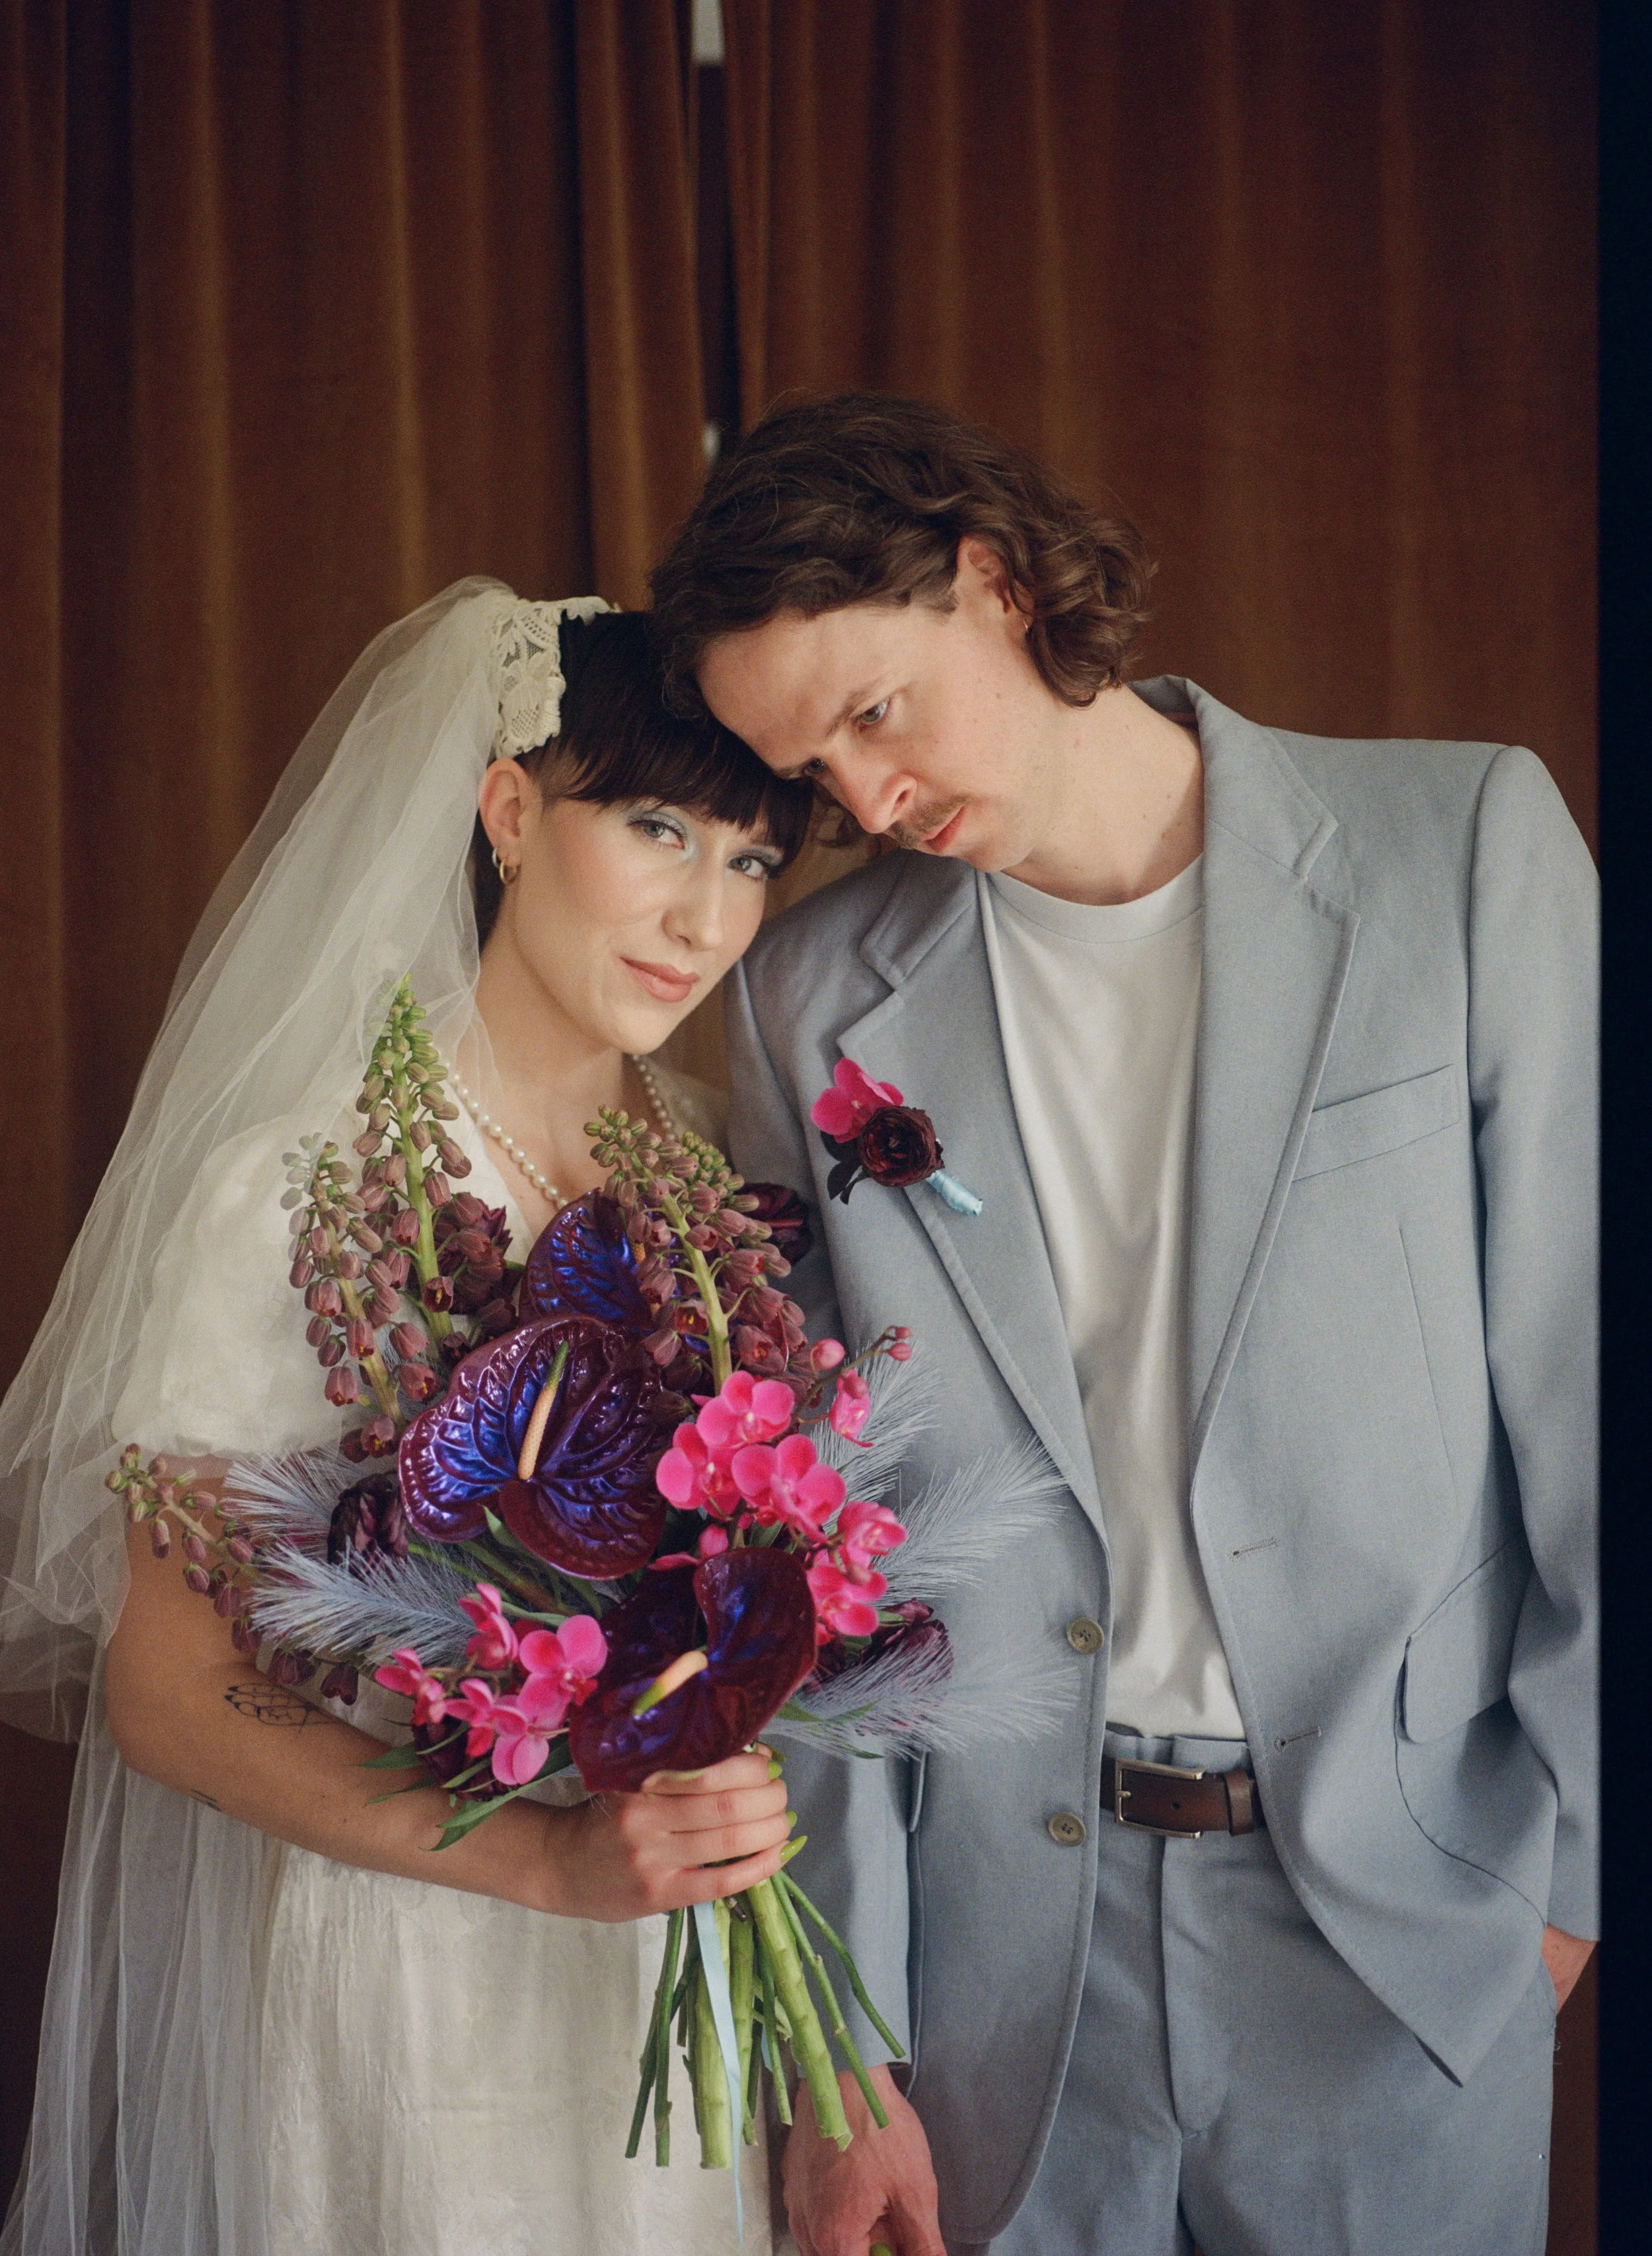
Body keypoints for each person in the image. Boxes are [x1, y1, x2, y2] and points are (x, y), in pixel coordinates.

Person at [648, 395, 1598, 2256]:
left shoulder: (1461, 846)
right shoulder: (802, 1001)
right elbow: (799, 1558)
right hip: (1001, 1975)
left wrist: (1566, 1881)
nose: (860, 797)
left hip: (1405, 1935)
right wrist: (839, 2050)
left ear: (991, 580)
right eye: (810, 767)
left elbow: (1593, 1394)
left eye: (872, 711)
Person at [0, 583, 815, 2256]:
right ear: (510, 810)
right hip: (421, 1965)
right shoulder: (307, 1190)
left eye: (748, 858)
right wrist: (541, 1866)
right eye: (656, 826)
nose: (705, 912)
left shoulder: (723, 1176)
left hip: (672, 1957)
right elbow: (167, 1694)